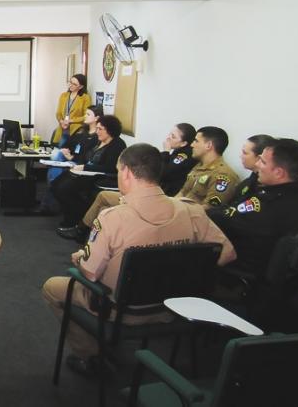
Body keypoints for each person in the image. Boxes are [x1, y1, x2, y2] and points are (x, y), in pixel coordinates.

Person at [42, 143, 236, 377]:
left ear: (125, 172)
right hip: (173, 307)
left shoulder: (113, 217)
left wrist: (80, 258)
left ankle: (91, 355)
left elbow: (91, 273)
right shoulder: (192, 211)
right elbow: (227, 254)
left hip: (121, 309)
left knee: (52, 287)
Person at [58, 122, 197, 241]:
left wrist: (166, 152)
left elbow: (163, 173)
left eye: (173, 136)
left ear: (184, 143)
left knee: (103, 201)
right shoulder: (176, 153)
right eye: (169, 134)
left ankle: (82, 231)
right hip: (151, 195)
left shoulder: (183, 155)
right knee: (103, 206)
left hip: (159, 199)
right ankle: (88, 236)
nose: (168, 138)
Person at [208, 138, 298, 279]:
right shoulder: (275, 192)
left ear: (279, 173)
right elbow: (231, 210)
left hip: (233, 272)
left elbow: (225, 220)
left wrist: (195, 213)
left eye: (263, 162)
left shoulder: (276, 206)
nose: (257, 165)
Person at [51, 115, 126, 230]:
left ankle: (75, 219)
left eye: (100, 129)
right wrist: (73, 160)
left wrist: (85, 168)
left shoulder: (117, 145)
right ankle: (72, 216)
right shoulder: (98, 140)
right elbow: (85, 156)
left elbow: (110, 168)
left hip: (96, 177)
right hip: (84, 173)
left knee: (64, 189)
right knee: (55, 184)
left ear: (110, 130)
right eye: (97, 128)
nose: (97, 131)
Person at [175, 126, 240, 208]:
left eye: (196, 141)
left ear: (208, 145)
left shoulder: (223, 175)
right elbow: (182, 192)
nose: (192, 145)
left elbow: (208, 208)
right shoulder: (199, 166)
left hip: (193, 218)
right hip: (180, 212)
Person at [232, 134, 276, 200]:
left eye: (245, 153)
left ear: (260, 158)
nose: (241, 156)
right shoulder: (249, 181)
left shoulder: (263, 189)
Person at [50, 74, 91, 144]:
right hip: (62, 127)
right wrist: (61, 121)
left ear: (81, 86)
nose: (70, 85)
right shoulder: (64, 95)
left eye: (74, 84)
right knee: (59, 149)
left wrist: (71, 121)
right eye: (70, 82)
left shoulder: (85, 98)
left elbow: (86, 116)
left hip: (76, 130)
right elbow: (58, 113)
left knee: (69, 151)